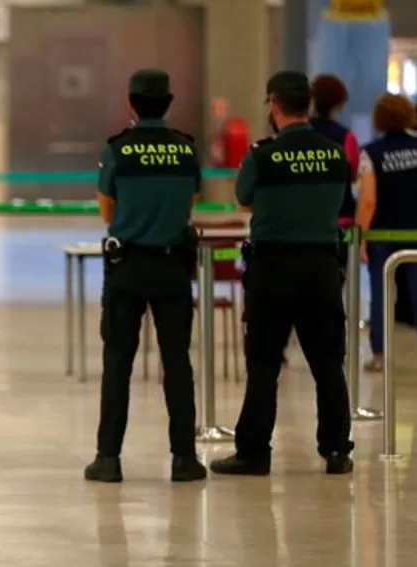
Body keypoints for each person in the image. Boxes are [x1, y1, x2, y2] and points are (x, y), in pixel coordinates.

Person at [210, 71, 354, 477]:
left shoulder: (262, 156)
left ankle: (254, 452)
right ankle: (336, 450)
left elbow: (244, 200)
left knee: (264, 364)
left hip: (272, 269)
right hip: (322, 268)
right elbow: (340, 202)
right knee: (328, 364)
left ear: (274, 105)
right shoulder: (334, 154)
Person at [83, 69, 206, 484]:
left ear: (130, 103)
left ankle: (108, 459)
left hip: (128, 268)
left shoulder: (117, 150)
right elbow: (188, 205)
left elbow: (107, 213)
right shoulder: (185, 150)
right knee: (178, 363)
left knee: (118, 362)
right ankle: (184, 459)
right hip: (172, 268)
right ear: (168, 103)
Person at [356, 94, 417, 372]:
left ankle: (379, 355)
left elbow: (368, 200)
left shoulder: (371, 152)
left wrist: (361, 236)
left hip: (383, 234)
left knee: (380, 295)